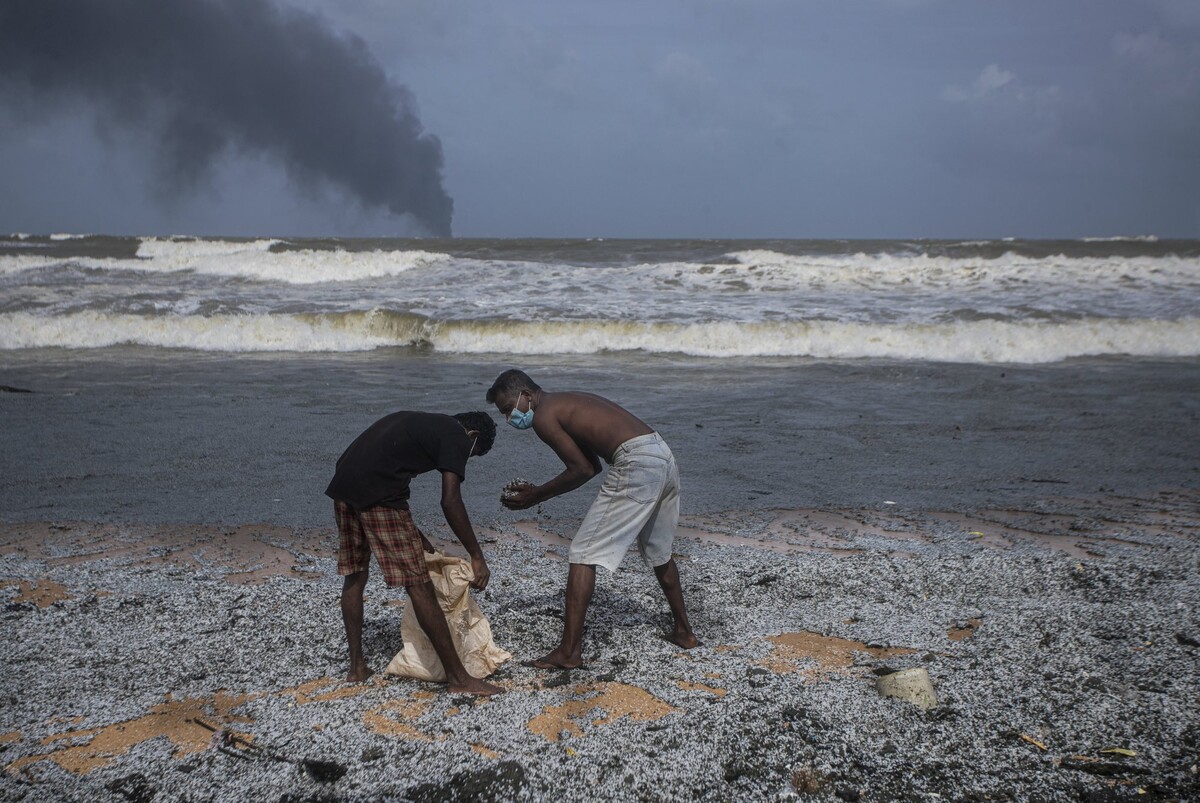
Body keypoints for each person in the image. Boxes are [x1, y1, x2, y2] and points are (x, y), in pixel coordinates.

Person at [486, 369, 699, 669]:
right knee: (658, 552)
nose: (509, 419)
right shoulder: (564, 401)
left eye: (509, 409)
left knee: (583, 553)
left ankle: (569, 652)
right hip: (661, 453)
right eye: (503, 414)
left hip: (636, 462)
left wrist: (537, 495)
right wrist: (539, 493)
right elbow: (591, 466)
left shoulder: (545, 416)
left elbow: (581, 470)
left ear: (528, 395)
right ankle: (684, 633)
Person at [325, 409, 502, 695]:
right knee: (419, 585)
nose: (463, 460)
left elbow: (384, 466)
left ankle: (356, 667)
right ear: (473, 436)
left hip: (344, 485)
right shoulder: (458, 436)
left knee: (355, 575)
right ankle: (459, 679)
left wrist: (416, 535)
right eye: (472, 455)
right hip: (377, 492)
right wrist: (477, 556)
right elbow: (450, 500)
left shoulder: (425, 424)